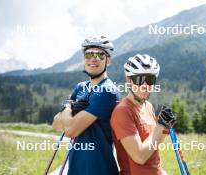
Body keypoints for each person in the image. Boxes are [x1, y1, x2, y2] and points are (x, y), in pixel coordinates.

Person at [52, 35, 120, 175]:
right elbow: (56, 125)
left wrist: (68, 108)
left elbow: (70, 130)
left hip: (98, 168)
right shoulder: (80, 87)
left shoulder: (107, 90)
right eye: (89, 54)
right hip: (76, 167)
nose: (93, 58)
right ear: (84, 59)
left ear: (108, 60)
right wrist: (69, 108)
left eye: (100, 54)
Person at [111, 54, 176, 175]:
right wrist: (160, 127)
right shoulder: (122, 111)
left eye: (150, 80)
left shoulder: (148, 106)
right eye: (139, 79)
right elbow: (140, 156)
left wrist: (166, 128)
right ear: (129, 81)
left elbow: (153, 146)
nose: (145, 85)